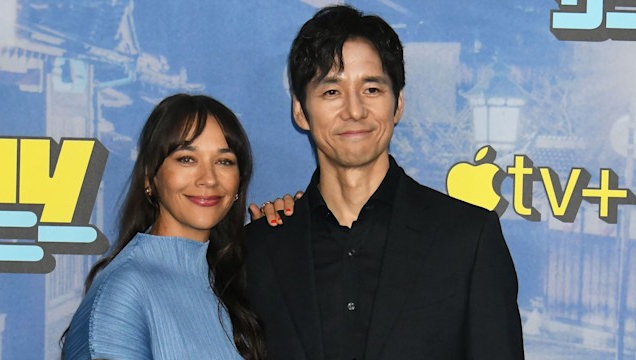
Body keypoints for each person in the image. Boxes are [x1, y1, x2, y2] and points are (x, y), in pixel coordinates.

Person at [245, 5, 524, 360]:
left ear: (398, 104)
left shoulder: (468, 239)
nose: (354, 110)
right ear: (300, 111)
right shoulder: (260, 249)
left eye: (372, 89)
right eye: (332, 92)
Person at [62, 94, 266, 359]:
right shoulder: (124, 291)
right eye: (186, 159)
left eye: (224, 161)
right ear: (150, 177)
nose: (208, 178)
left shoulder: (227, 279)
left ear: (239, 182)